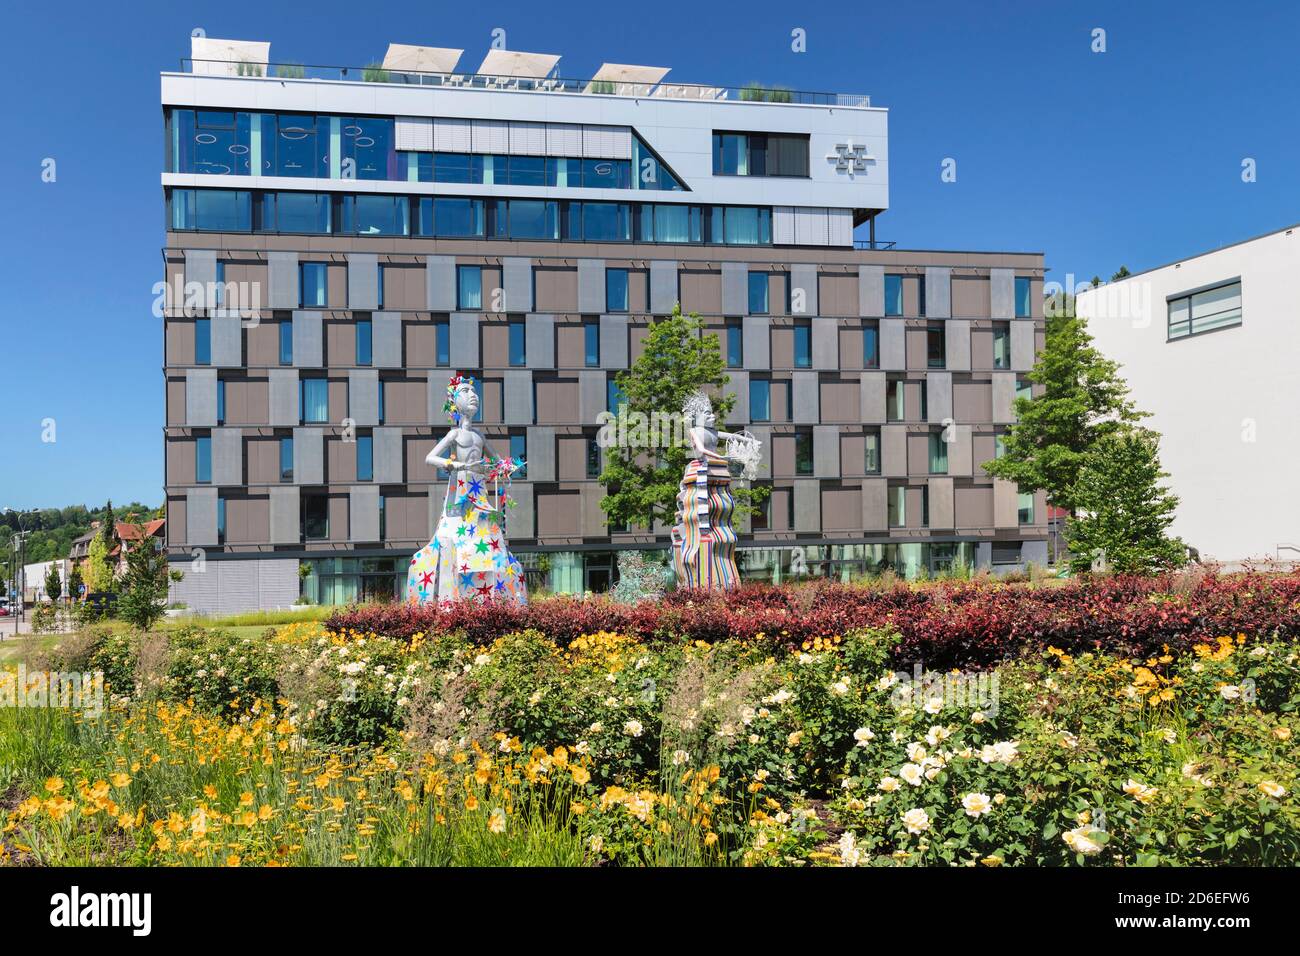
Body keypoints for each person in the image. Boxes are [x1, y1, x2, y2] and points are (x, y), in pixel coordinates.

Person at [406, 375, 527, 605]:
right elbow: (430, 457)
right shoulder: (454, 434)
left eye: (474, 392)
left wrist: (507, 467)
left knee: (485, 529)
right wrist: (453, 464)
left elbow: (498, 461)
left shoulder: (478, 436)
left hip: (479, 490)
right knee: (454, 529)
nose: (473, 395)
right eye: (465, 391)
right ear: (454, 402)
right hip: (459, 489)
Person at [671, 390, 760, 590]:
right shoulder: (695, 431)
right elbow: (701, 451)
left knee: (722, 510)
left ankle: (721, 576)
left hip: (716, 471)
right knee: (701, 514)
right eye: (707, 413)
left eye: (712, 413)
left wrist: (748, 442)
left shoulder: (712, 432)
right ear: (696, 417)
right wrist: (721, 458)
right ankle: (699, 574)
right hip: (701, 471)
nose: (713, 416)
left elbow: (729, 436)